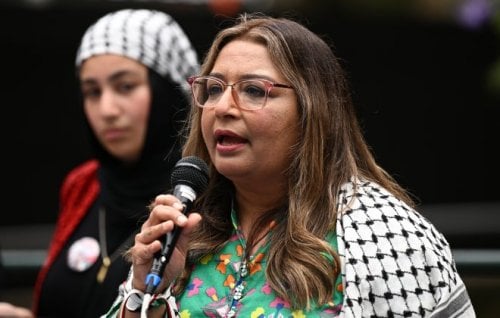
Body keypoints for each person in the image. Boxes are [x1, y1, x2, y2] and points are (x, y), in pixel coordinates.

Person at [103, 13, 475, 317]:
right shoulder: (187, 230)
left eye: (253, 90)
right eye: (214, 89)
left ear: (313, 111)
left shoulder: (389, 237)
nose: (222, 108)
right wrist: (145, 292)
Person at [29, 8, 199, 318]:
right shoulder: (84, 184)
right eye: (92, 92)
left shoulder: (202, 192)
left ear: (167, 91)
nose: (106, 109)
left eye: (125, 86)